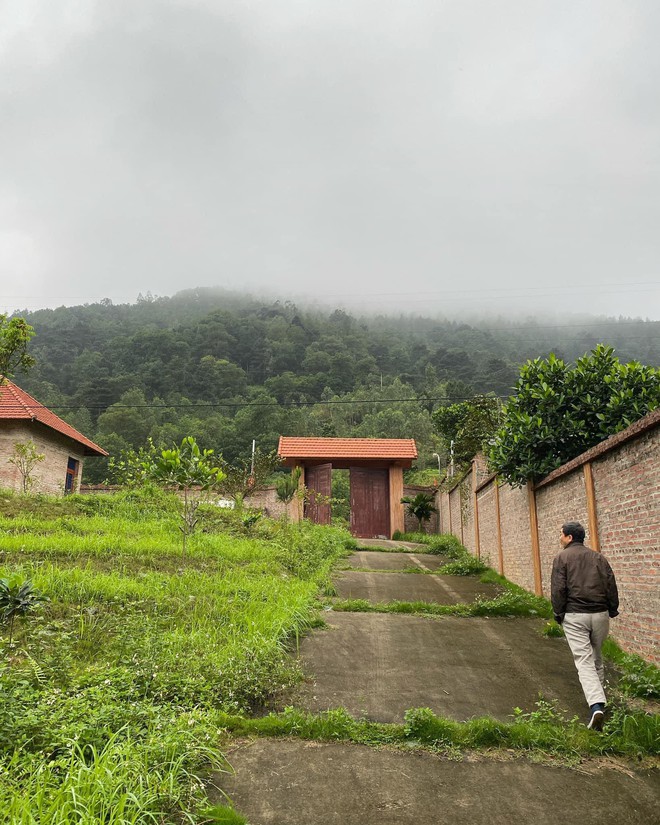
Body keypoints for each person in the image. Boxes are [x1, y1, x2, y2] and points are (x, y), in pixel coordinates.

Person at [550, 521, 619, 732]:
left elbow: (558, 589)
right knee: (597, 658)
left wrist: (558, 613)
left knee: (584, 661)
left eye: (561, 534)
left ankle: (596, 705)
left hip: (575, 615)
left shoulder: (562, 558)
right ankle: (599, 706)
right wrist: (612, 608)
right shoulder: (599, 557)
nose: (559, 538)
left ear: (570, 537)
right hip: (600, 615)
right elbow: (610, 584)